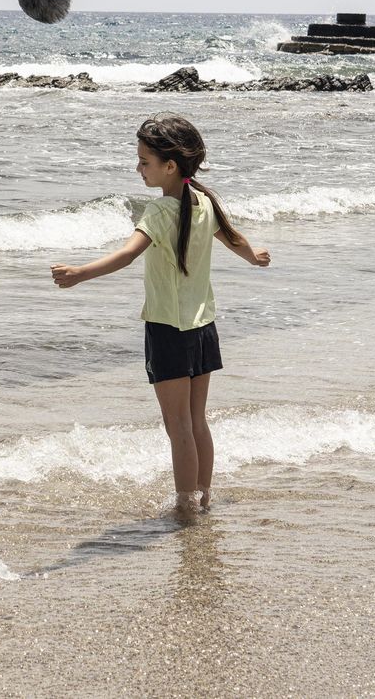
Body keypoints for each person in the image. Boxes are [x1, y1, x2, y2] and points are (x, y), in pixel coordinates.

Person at [50, 115, 270, 512]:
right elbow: (232, 237)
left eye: (144, 162)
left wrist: (82, 273)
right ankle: (202, 497)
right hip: (204, 325)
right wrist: (253, 257)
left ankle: (186, 506)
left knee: (178, 427)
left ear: (171, 165)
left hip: (169, 327)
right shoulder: (203, 200)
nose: (139, 168)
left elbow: (128, 253)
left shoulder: (160, 209)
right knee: (197, 421)